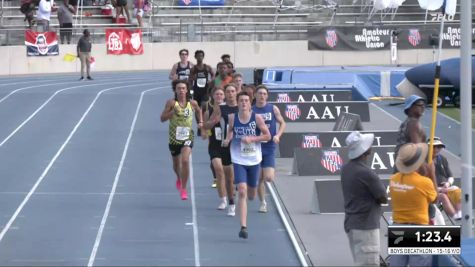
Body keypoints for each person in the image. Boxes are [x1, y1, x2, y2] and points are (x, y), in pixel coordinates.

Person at [223, 91, 271, 239]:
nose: (244, 103)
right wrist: (227, 139)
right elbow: (231, 131)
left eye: (246, 100)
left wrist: (253, 138)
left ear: (250, 103)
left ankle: (253, 192)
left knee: (251, 194)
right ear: (238, 103)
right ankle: (243, 227)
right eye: (241, 100)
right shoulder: (232, 118)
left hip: (254, 159)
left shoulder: (257, 118)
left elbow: (267, 136)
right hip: (238, 159)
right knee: (242, 191)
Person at [341, 131, 387, 267]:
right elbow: (383, 197)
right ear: (365, 150)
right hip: (365, 227)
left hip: (352, 223)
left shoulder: (346, 168)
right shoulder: (366, 173)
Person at [389, 143, 437, 267]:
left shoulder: (393, 179)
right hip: (418, 228)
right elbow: (435, 199)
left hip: (398, 227)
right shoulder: (425, 182)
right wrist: (432, 173)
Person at [160, 80, 203, 200]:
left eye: (183, 88)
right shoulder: (171, 103)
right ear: (175, 90)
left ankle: (183, 188)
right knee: (176, 165)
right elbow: (162, 118)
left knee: (185, 161)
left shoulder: (193, 103)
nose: (181, 91)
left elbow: (199, 111)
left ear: (187, 90)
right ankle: (179, 178)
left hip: (187, 136)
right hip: (174, 138)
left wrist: (200, 121)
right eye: (179, 88)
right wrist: (172, 113)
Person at [252, 85, 286, 213]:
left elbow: (283, 123)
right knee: (259, 178)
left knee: (269, 178)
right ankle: (263, 203)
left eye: (264, 94)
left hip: (269, 146)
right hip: (256, 147)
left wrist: (278, 135)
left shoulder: (272, 108)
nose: (262, 96)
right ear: (255, 95)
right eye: (259, 93)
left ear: (267, 96)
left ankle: (267, 174)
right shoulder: (251, 110)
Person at [203, 87, 227, 209]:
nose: (219, 96)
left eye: (221, 94)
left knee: (228, 174)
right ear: (213, 96)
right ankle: (223, 200)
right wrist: (214, 120)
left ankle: (230, 192)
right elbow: (205, 127)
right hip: (214, 145)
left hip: (227, 145)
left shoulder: (230, 110)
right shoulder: (208, 111)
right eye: (216, 94)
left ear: (224, 96)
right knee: (219, 170)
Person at [428, 137, 462, 220]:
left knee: (458, 191)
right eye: (434, 147)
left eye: (438, 147)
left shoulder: (442, 159)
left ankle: (459, 215)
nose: (436, 149)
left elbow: (450, 176)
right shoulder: (423, 161)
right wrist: (438, 189)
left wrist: (448, 183)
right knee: (443, 196)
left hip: (445, 188)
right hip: (431, 191)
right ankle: (454, 216)